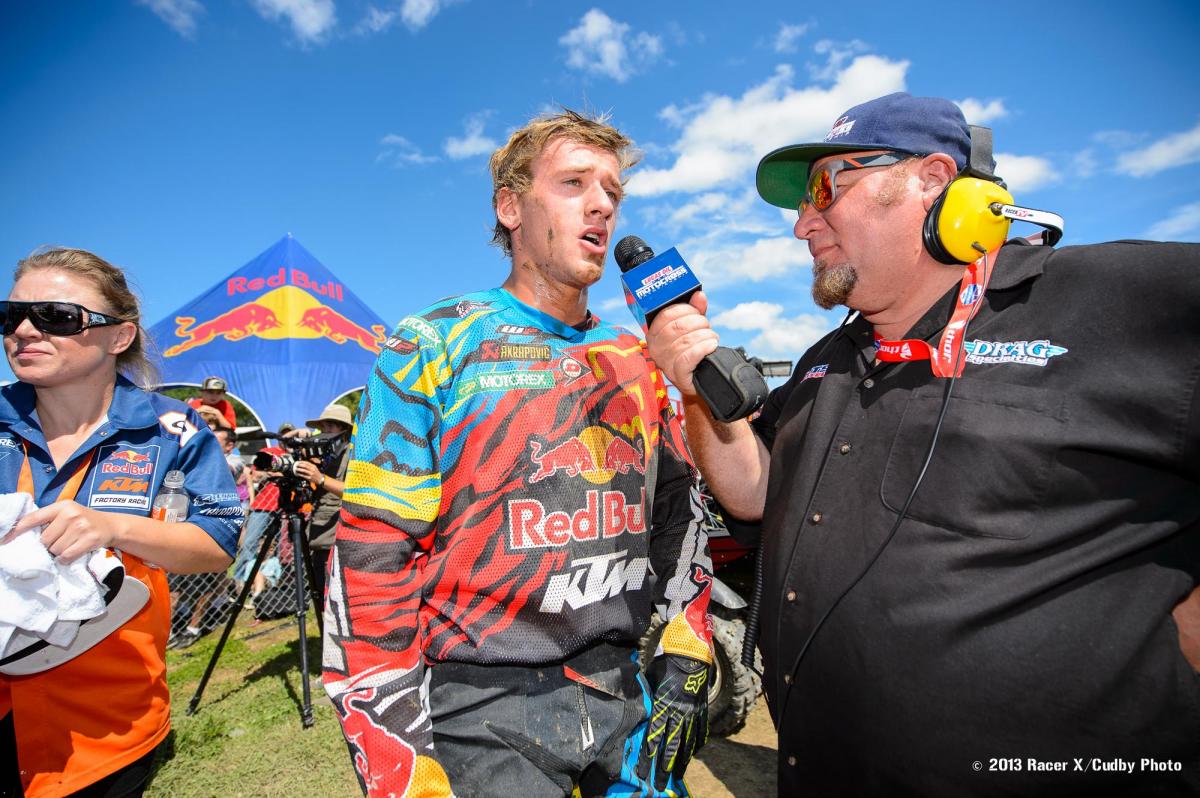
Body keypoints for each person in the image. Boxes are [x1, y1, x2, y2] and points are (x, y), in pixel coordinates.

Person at [645, 91, 1200, 795]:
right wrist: (696, 387)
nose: (801, 226)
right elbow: (750, 491)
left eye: (824, 189)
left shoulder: (1123, 298)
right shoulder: (827, 358)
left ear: (932, 180)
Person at [322, 109, 714, 798]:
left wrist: (686, 652)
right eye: (573, 183)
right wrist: (394, 754)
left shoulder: (637, 356)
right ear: (510, 208)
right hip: (480, 705)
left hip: (625, 691)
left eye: (612, 192)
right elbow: (373, 554)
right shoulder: (433, 343)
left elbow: (682, 522)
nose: (601, 204)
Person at [0, 247, 242, 796]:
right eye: (10, 316)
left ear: (119, 336)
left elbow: (218, 542)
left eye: (57, 317)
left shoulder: (173, 430)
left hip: (105, 727)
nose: (24, 332)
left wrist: (112, 527)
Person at [285, 403, 350, 605]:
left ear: (344, 430)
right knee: (321, 590)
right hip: (320, 531)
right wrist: (298, 438)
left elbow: (355, 492)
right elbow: (285, 444)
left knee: (335, 593)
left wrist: (320, 478)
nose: (325, 431)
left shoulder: (352, 454)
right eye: (322, 427)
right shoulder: (324, 455)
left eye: (330, 426)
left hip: (339, 531)